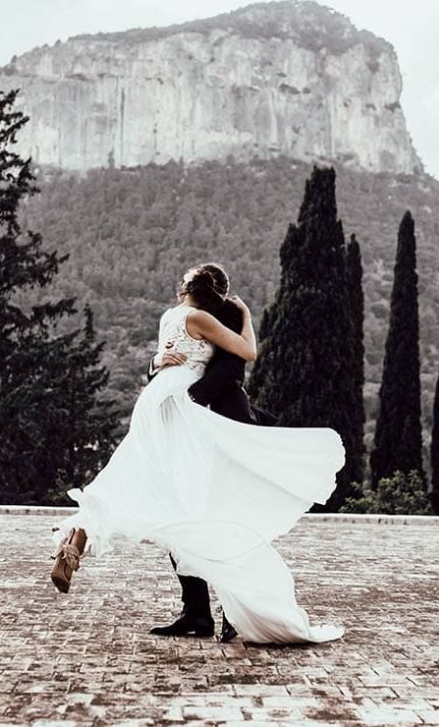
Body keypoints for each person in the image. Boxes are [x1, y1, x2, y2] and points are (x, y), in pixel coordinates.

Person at [50, 264, 345, 645]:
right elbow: (248, 352)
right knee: (189, 506)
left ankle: (80, 535)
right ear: (217, 294)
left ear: (185, 288)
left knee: (144, 483)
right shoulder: (203, 319)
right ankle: (201, 608)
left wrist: (156, 364)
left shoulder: (170, 316)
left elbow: (170, 360)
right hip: (184, 409)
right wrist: (248, 318)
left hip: (157, 403)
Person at [146, 263, 270, 642]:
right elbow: (169, 359)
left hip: (221, 423)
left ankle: (237, 609)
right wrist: (155, 366)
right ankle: (196, 612)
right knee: (177, 517)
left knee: (223, 520)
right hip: (180, 427)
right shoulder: (176, 317)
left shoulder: (227, 315)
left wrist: (192, 401)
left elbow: (234, 367)